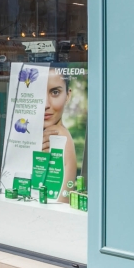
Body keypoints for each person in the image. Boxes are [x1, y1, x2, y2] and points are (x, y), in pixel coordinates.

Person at [40, 66, 78, 203]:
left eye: (55, 92)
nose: (45, 104)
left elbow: (62, 202)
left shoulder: (62, 137)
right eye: (38, 92)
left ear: (68, 95)